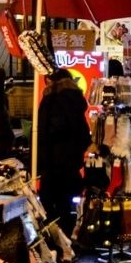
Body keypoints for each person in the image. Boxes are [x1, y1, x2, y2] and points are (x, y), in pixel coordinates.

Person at [38, 68, 93, 239]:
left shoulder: (49, 100)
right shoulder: (75, 101)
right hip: (71, 162)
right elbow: (82, 131)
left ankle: (53, 239)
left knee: (49, 203)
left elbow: (43, 132)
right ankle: (66, 238)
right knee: (67, 202)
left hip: (51, 161)